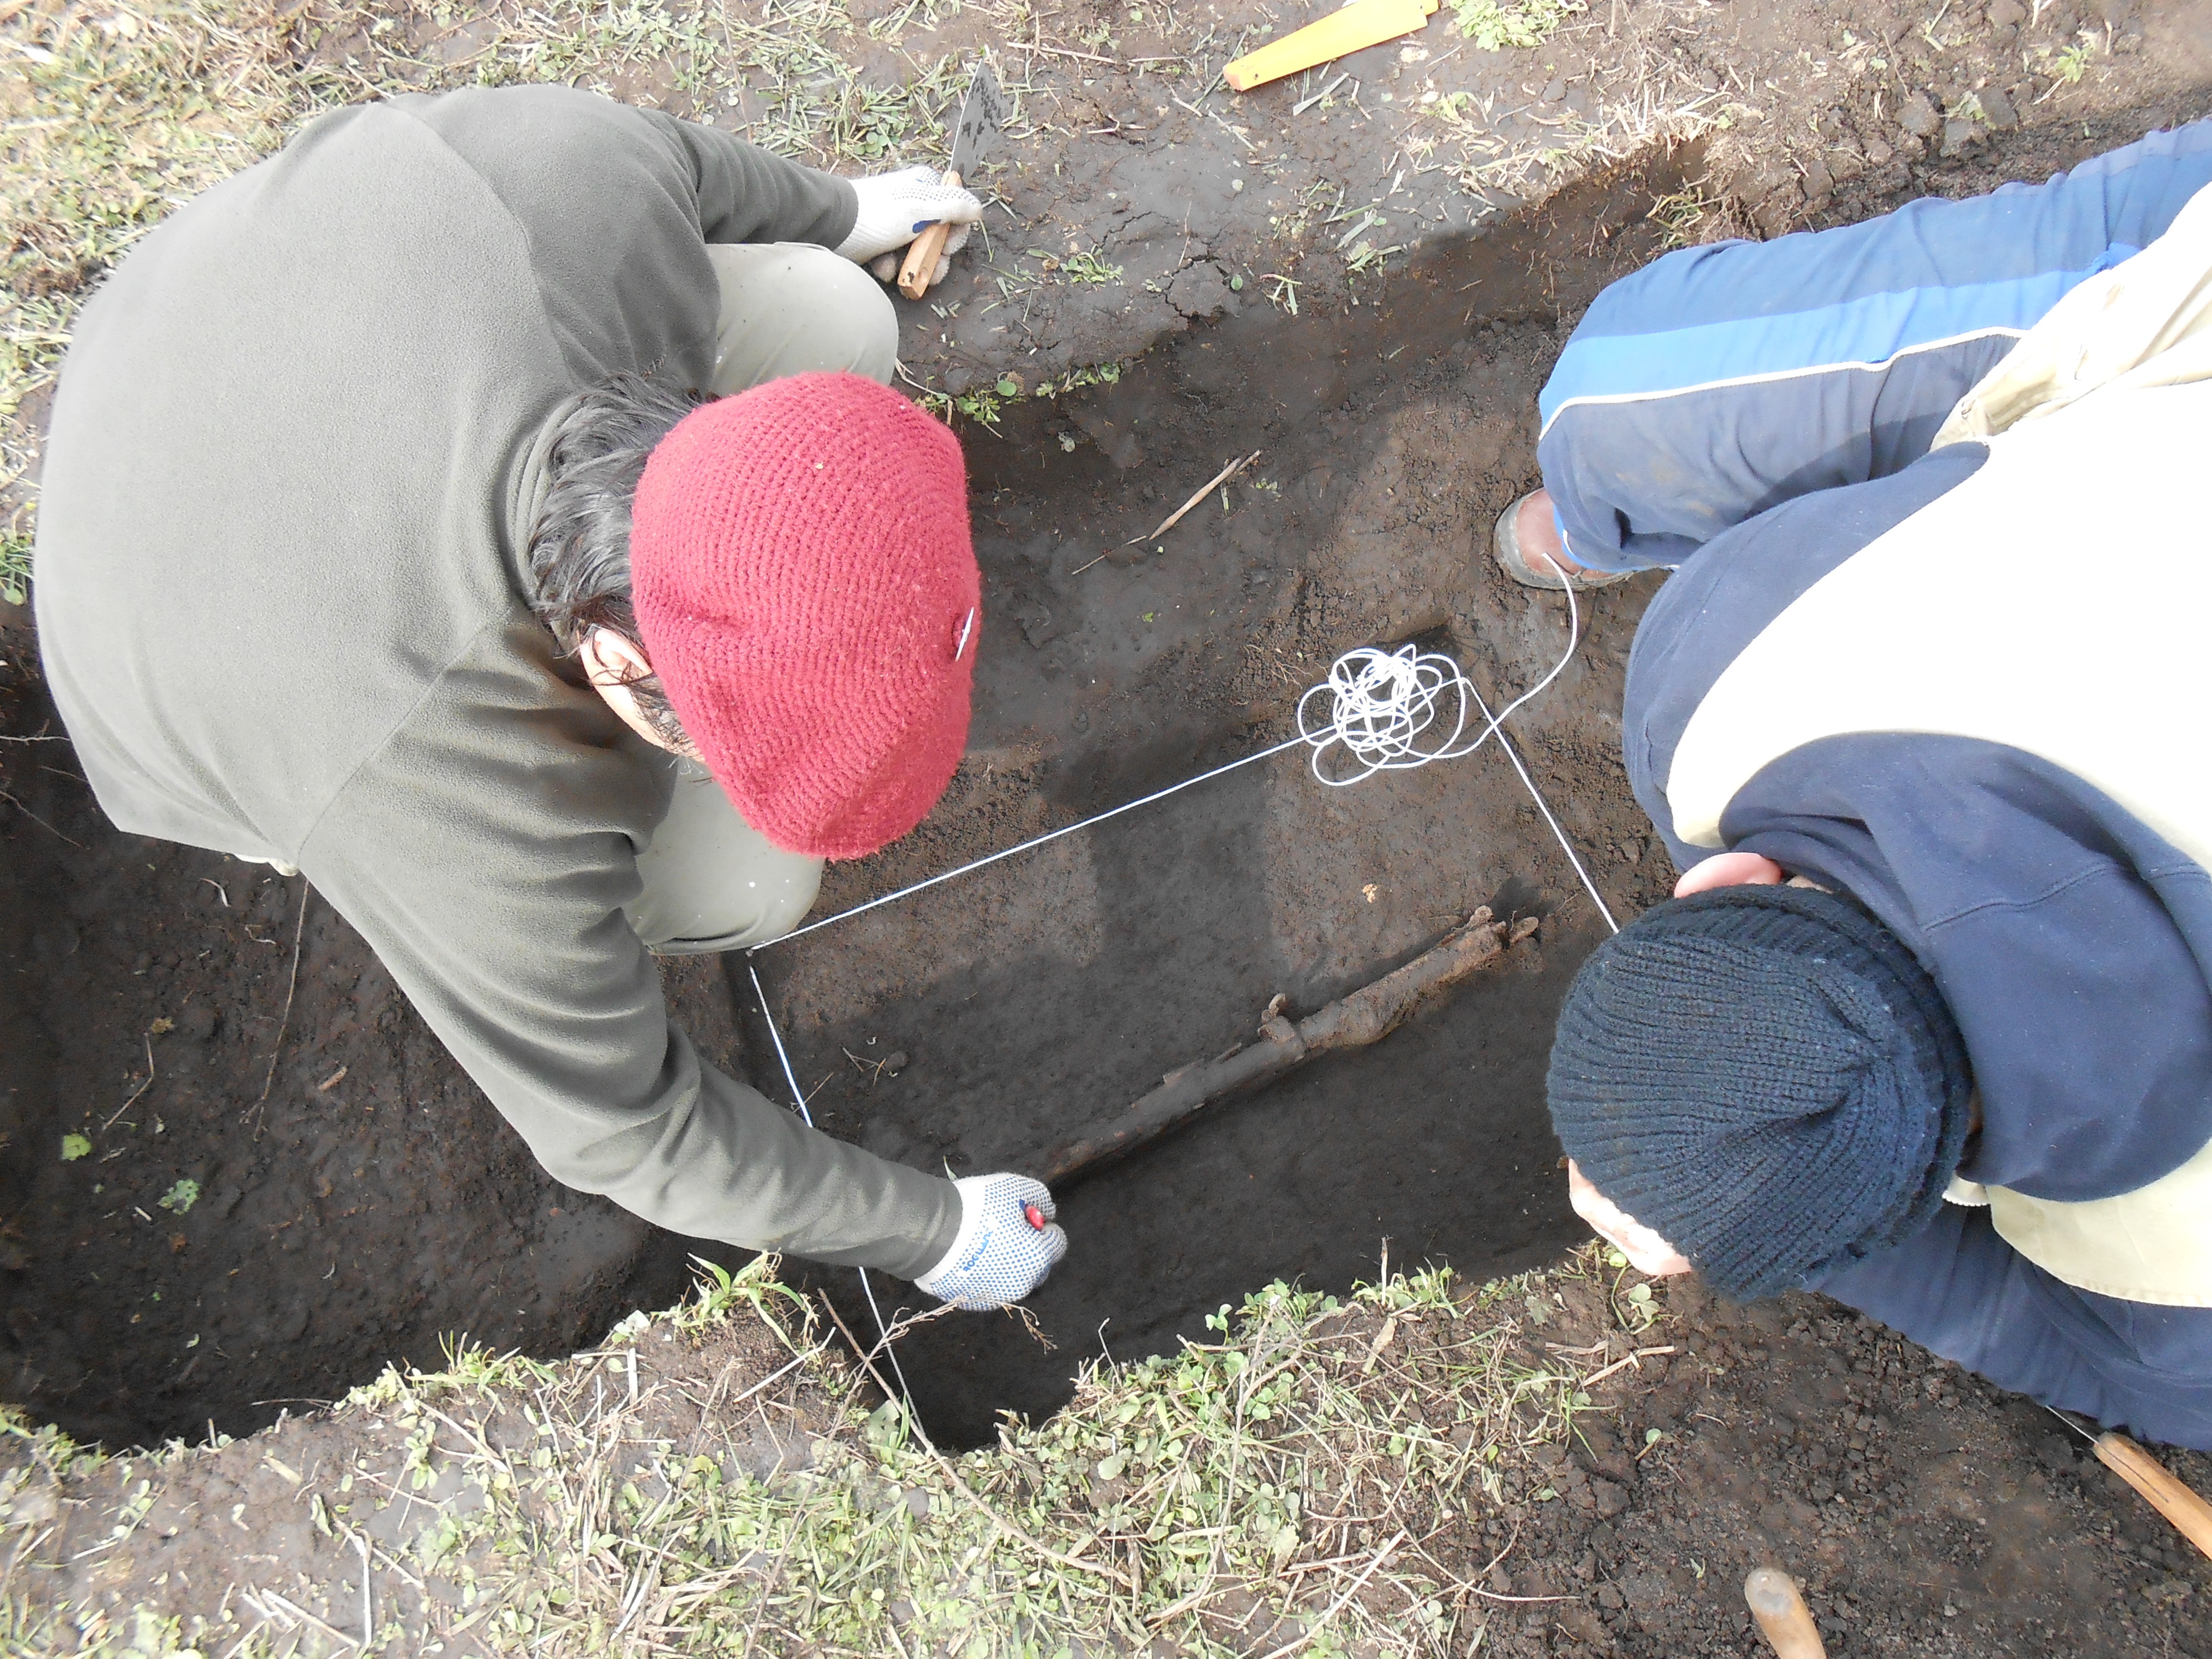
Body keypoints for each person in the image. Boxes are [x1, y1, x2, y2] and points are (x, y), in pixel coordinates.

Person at [33, 84, 1067, 1311]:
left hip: (222, 310)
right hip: (163, 628)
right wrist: (938, 1233)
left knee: (833, 306)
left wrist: (842, 209)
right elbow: (627, 1132)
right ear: (621, 669)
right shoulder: (443, 774)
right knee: (746, 884)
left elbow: (684, 160)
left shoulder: (578, 188)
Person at [1513, 120, 2212, 1448]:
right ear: (1727, 879)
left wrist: (1763, 1196)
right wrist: (1744, 1161)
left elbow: (2056, 1344)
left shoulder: (2182, 1295)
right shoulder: (1716, 685)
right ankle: (1582, 503)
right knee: (1607, 409)